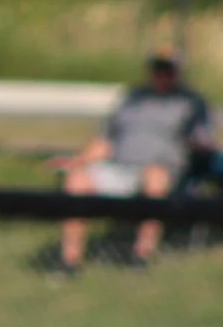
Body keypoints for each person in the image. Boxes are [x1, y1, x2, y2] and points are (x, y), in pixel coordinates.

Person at [50, 54, 211, 275]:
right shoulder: (132, 99)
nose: (162, 75)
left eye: (168, 71)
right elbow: (105, 141)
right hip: (120, 166)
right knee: (76, 180)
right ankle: (69, 260)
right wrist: (78, 161)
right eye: (158, 70)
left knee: (155, 178)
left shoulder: (190, 103)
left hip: (162, 169)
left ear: (178, 74)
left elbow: (202, 142)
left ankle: (141, 255)